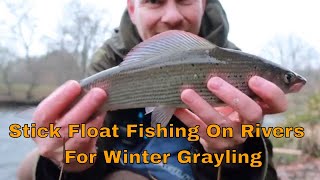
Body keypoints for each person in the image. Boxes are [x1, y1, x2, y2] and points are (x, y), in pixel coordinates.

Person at [17, 0, 287, 179]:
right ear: (133, 9)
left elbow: (266, 175)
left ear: (203, 4)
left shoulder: (240, 71)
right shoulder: (106, 64)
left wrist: (235, 153)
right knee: (32, 165)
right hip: (126, 163)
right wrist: (71, 163)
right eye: (154, 0)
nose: (171, 16)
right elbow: (97, 159)